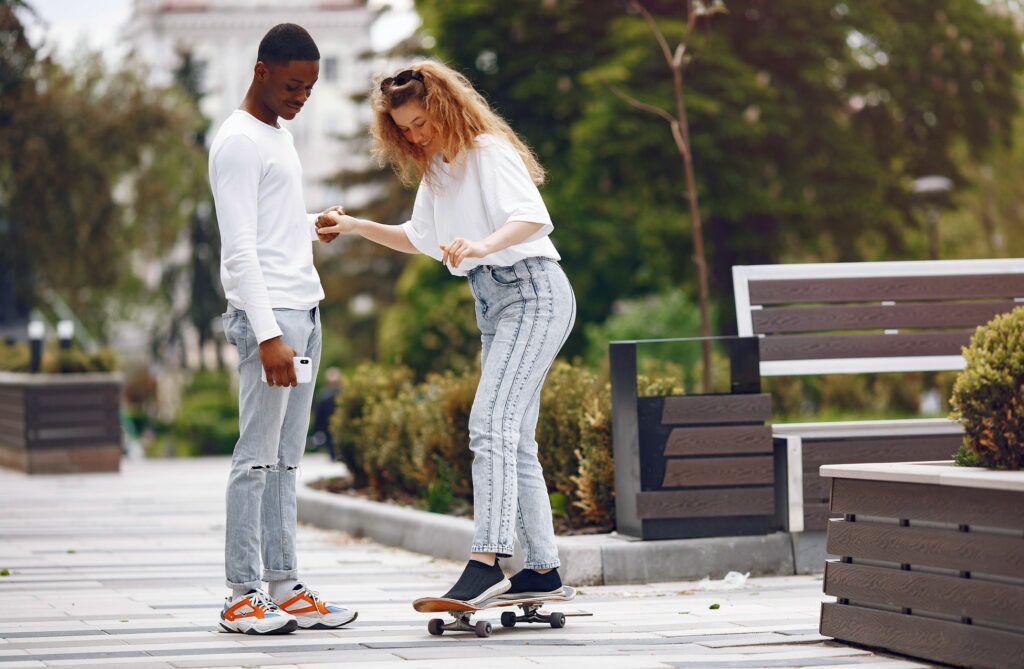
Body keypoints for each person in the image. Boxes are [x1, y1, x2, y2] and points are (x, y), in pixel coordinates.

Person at [318, 61, 576, 605]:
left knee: (490, 423)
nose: (416, 134)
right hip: (495, 303)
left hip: (533, 292)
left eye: (421, 122)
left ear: (443, 106)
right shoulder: (438, 169)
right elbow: (419, 238)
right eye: (405, 129)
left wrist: (483, 245)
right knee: (515, 438)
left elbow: (531, 217)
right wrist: (356, 226)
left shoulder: (487, 151)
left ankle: (487, 559)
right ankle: (543, 571)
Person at [208, 22, 355, 634]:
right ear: (261, 71)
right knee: (255, 460)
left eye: (310, 87)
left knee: (288, 462)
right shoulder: (238, 142)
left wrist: (307, 222)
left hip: (305, 311)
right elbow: (241, 248)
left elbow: (267, 223)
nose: (302, 97)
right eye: (293, 85)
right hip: (272, 319)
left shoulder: (276, 135)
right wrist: (268, 335)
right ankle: (242, 593)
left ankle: (285, 584)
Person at [309, 367, 342, 460]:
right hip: (328, 428)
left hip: (338, 427)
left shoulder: (343, 394)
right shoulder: (323, 396)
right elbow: (318, 415)